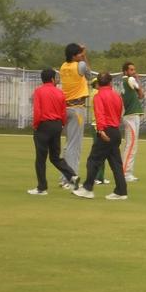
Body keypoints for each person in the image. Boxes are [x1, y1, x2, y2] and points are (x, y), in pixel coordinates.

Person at [72, 72, 128, 200]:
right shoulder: (117, 96)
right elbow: (119, 113)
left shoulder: (98, 96)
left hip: (106, 130)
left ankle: (87, 188)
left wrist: (101, 130)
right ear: (110, 82)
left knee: (93, 160)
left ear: (98, 83)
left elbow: (100, 114)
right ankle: (121, 190)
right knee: (115, 163)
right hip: (115, 130)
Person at [28, 68, 81, 195]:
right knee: (55, 157)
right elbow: (63, 111)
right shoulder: (60, 93)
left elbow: (38, 111)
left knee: (41, 158)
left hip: (44, 125)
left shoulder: (39, 91)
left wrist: (35, 125)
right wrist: (61, 125)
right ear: (52, 79)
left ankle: (42, 187)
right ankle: (72, 177)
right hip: (57, 125)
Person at [59, 43, 91, 189]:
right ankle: (69, 179)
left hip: (66, 107)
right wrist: (85, 56)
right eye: (78, 53)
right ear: (74, 55)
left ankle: (64, 177)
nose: (80, 55)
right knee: (75, 146)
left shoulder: (63, 67)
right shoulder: (80, 65)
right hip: (77, 107)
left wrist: (81, 55)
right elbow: (89, 75)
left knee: (68, 145)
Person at [120, 62, 145, 182]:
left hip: (129, 115)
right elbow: (141, 95)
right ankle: (126, 173)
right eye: (131, 70)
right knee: (132, 145)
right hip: (131, 115)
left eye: (134, 70)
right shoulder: (130, 80)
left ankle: (125, 170)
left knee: (129, 144)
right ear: (125, 71)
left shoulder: (122, 82)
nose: (134, 72)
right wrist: (138, 79)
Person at [87, 77, 110, 186]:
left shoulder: (94, 93)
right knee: (100, 152)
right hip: (97, 125)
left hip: (97, 124)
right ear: (97, 85)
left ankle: (100, 176)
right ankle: (98, 177)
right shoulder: (96, 94)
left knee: (102, 152)